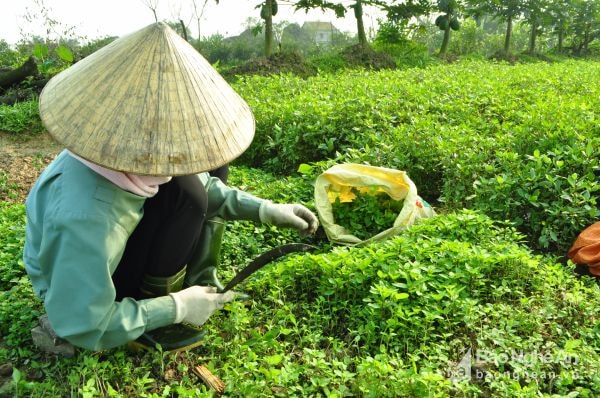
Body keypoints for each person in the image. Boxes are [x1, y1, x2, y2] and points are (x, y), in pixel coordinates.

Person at [23, 22, 318, 353]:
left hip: (102, 246)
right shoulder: (88, 218)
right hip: (79, 285)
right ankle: (152, 320)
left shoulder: (127, 156)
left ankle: (195, 283)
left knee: (210, 169)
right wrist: (175, 307)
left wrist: (267, 210)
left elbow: (206, 183)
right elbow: (84, 323)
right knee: (188, 197)